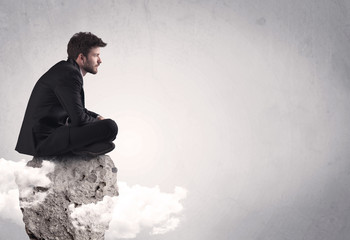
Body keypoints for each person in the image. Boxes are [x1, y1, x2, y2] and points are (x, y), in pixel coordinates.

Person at [15, 32, 118, 157]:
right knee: (110, 127)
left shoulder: (66, 70)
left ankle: (81, 147)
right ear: (82, 57)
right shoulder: (69, 74)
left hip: (53, 135)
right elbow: (79, 118)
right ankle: (79, 148)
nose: (100, 60)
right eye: (96, 55)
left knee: (106, 131)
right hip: (46, 141)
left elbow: (76, 109)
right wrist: (101, 124)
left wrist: (97, 117)